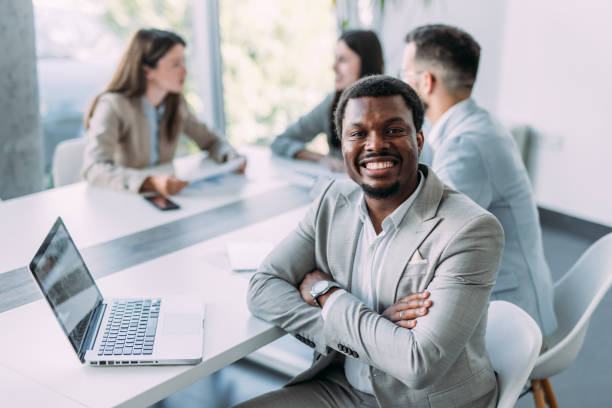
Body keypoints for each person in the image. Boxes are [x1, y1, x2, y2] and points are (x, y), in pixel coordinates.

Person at [239, 76, 504, 407]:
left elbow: (418, 364)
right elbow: (263, 288)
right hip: (343, 388)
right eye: (358, 133)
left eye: (393, 130)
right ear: (343, 145)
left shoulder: (471, 229)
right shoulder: (331, 201)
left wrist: (328, 294)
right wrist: (358, 331)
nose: (375, 144)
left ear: (419, 140)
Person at [401, 24, 557, 336]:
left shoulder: (467, 145)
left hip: (511, 321)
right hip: (511, 296)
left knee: (381, 319)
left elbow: (428, 235)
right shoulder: (472, 126)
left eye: (405, 75)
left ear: (426, 82)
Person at [82, 28, 245, 195]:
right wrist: (149, 182)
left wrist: (229, 156)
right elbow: (94, 168)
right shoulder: (113, 105)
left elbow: (211, 140)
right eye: (175, 64)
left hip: (162, 199)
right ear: (147, 70)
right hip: (122, 199)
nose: (184, 71)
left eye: (184, 62)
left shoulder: (175, 102)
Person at [270, 29, 384, 172]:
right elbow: (280, 142)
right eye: (335, 59)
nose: (333, 67)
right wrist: (323, 159)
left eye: (342, 60)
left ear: (366, 63)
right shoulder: (332, 103)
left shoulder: (392, 107)